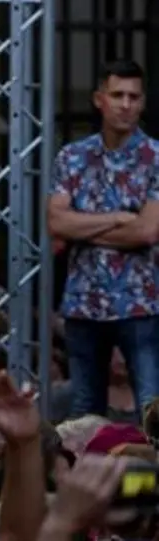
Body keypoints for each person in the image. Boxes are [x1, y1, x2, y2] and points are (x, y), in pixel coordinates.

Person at [48, 59, 159, 416]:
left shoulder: (155, 158)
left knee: (150, 407)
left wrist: (86, 227)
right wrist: (118, 218)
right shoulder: (72, 157)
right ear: (99, 99)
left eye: (134, 97)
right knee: (84, 414)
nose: (126, 104)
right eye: (117, 95)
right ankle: (82, 474)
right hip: (84, 302)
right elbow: (57, 224)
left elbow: (148, 230)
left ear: (142, 103)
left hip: (141, 304)